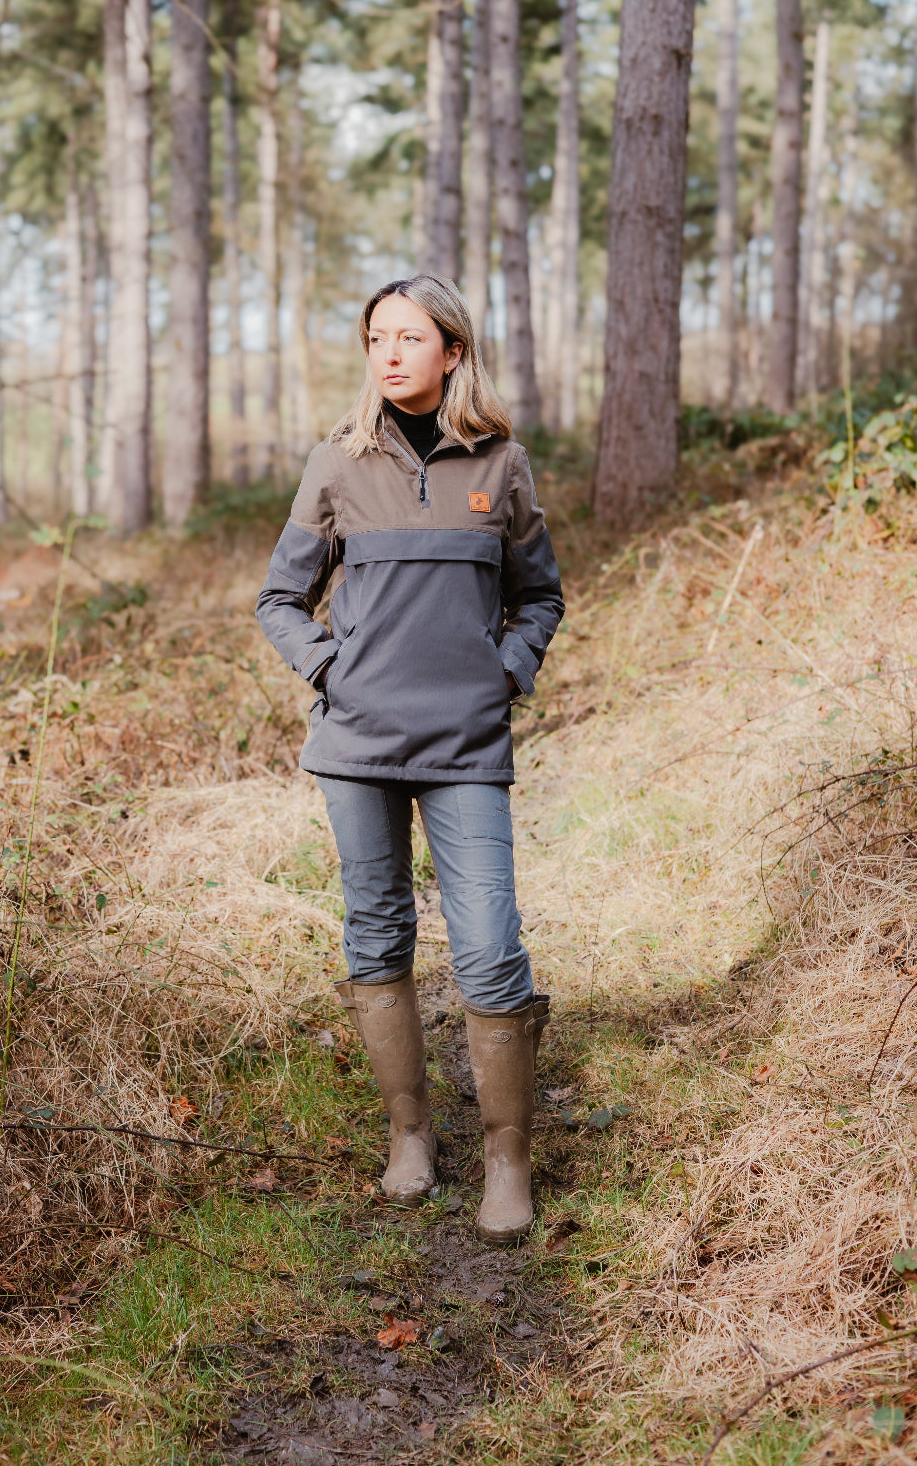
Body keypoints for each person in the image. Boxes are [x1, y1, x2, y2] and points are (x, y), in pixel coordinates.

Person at [256, 274, 565, 1244]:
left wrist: (502, 674)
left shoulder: (503, 465)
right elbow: (279, 601)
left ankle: (507, 1159)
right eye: (376, 338)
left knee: (486, 946)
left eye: (410, 337)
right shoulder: (336, 464)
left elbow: (541, 596)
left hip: (466, 743)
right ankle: (411, 1138)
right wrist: (330, 671)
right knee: (376, 934)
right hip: (357, 743)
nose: (389, 353)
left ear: (454, 352)